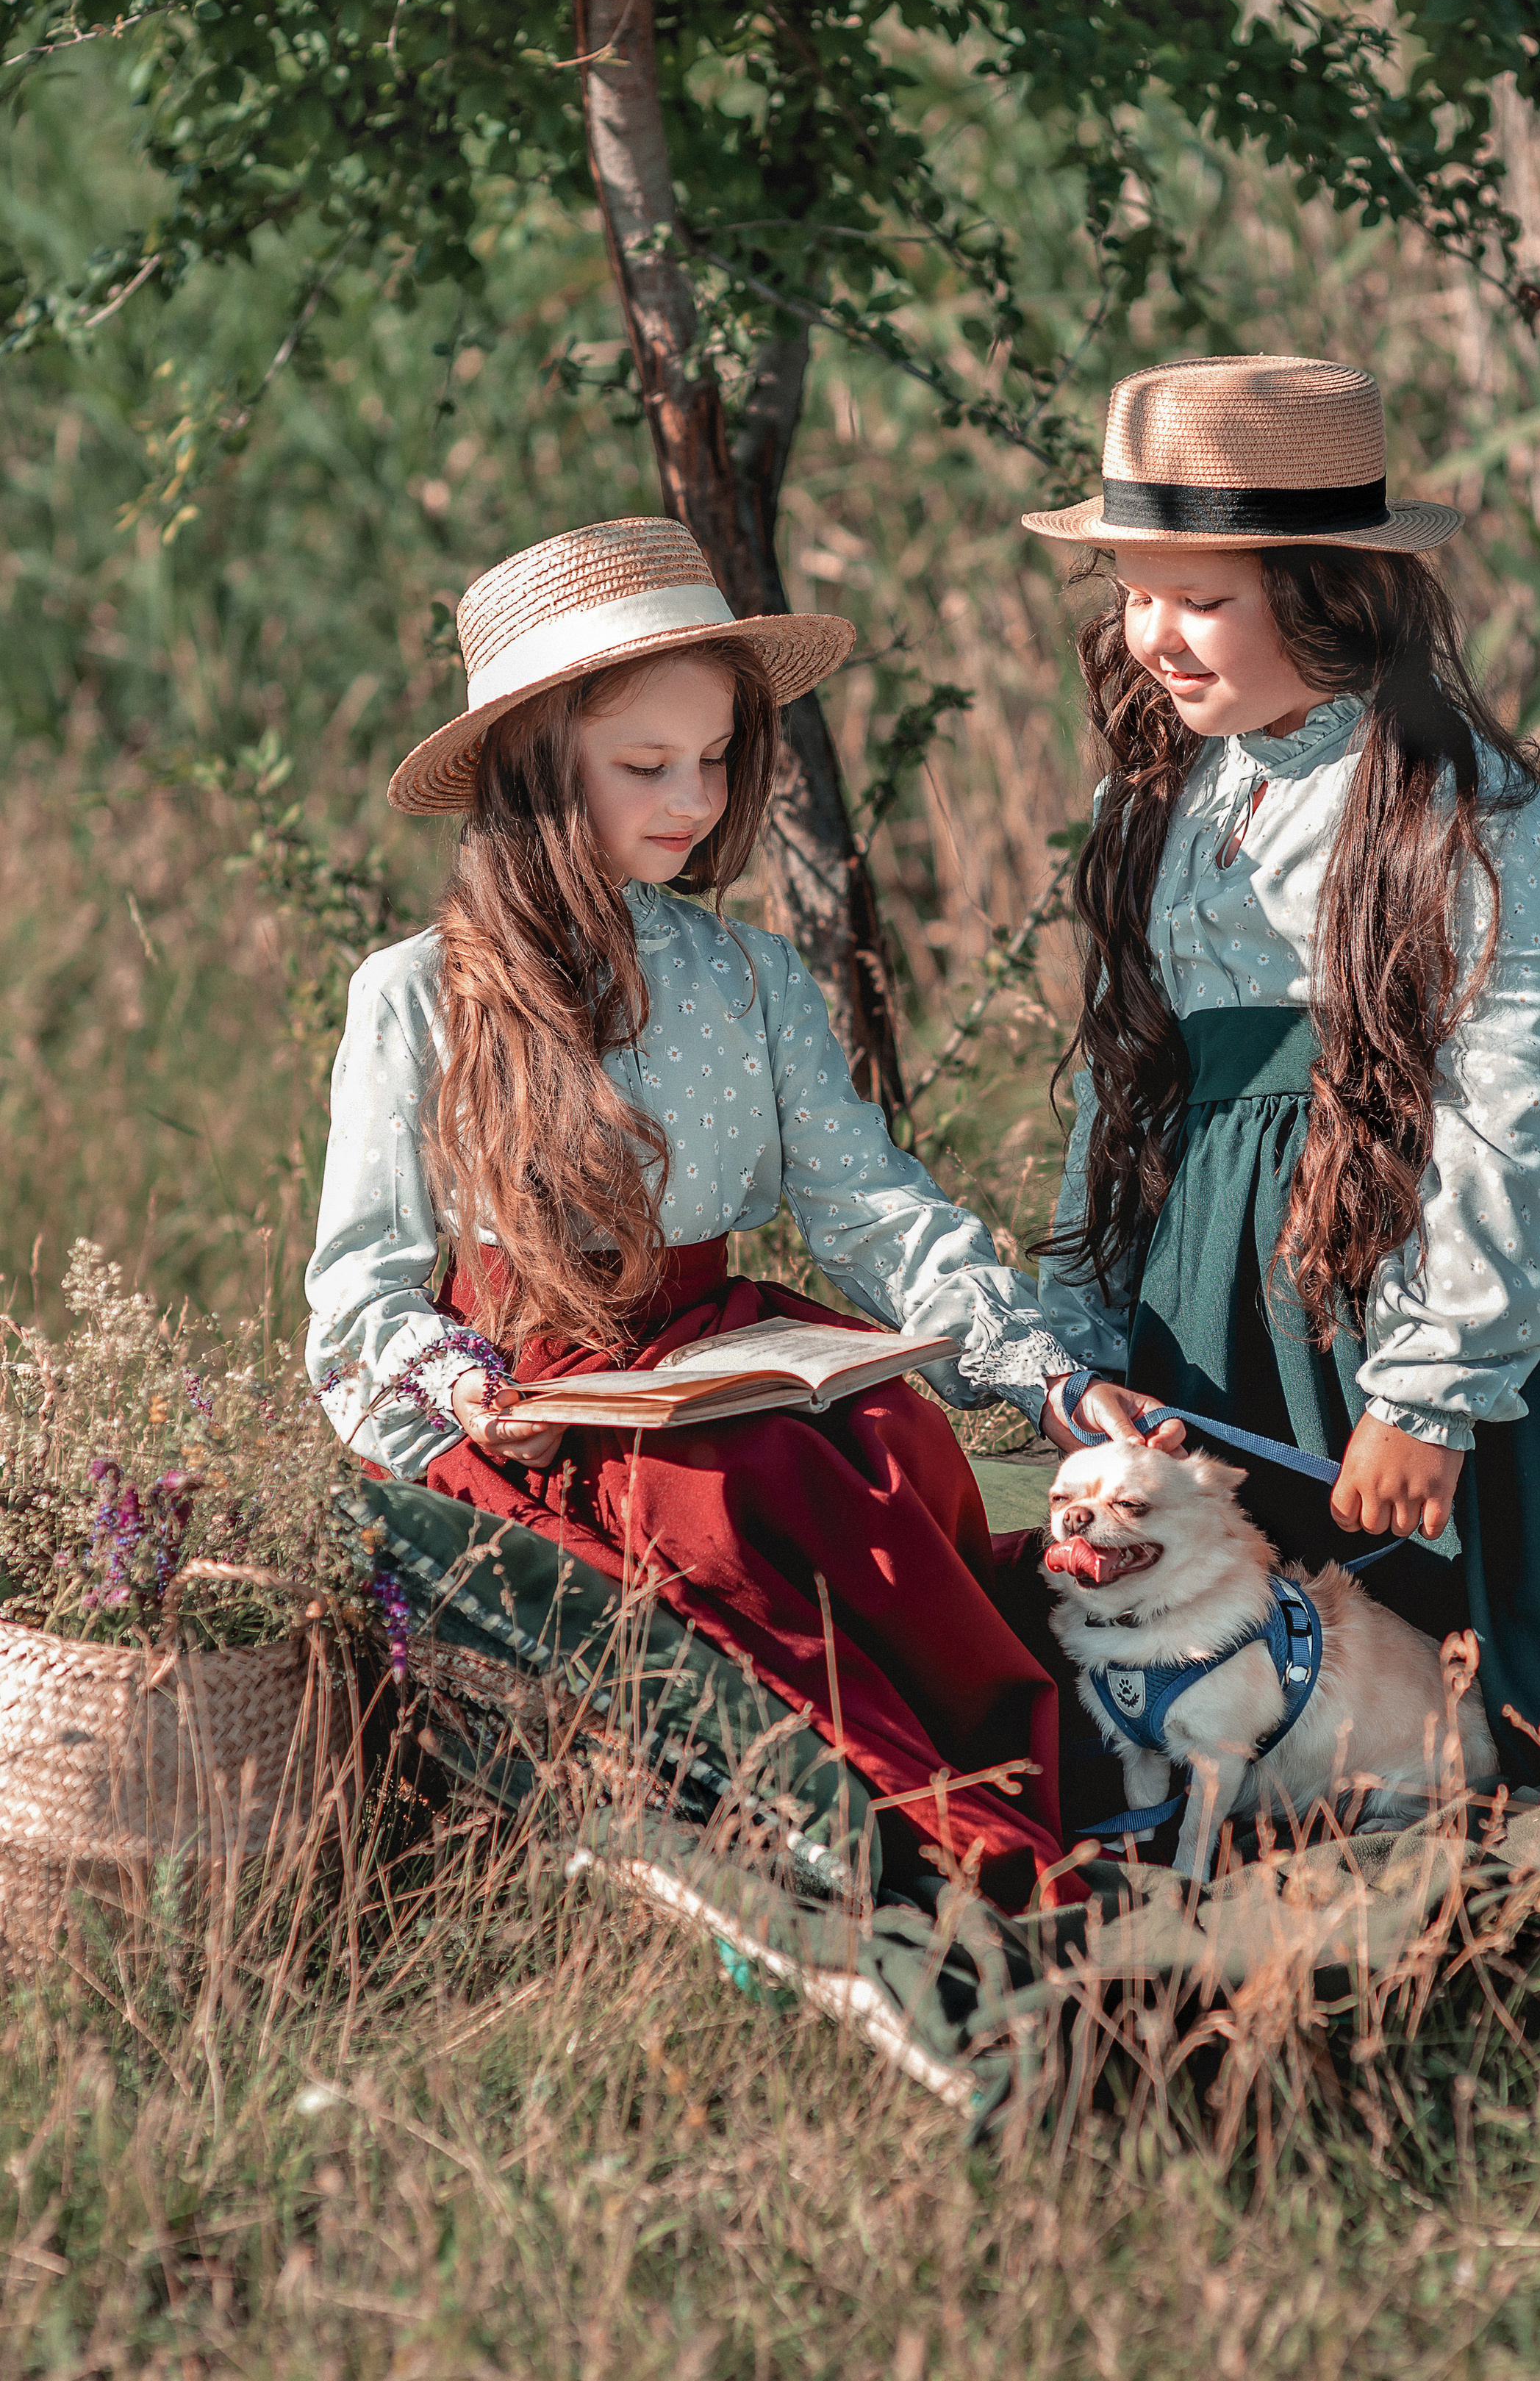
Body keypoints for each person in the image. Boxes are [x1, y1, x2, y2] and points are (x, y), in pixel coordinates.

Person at [1022, 353, 1540, 1784]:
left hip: (1404, 1240)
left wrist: (1429, 1393)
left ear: (1328, 596)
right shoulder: (1153, 793)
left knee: (1493, 1650)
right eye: (1135, 592)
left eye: (1203, 599)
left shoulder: (1453, 802)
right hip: (1213, 1269)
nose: (1155, 635)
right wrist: (1087, 1324)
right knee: (1223, 1625)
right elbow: (1127, 1085)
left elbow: (1501, 1100)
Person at [305, 515, 1098, 1906]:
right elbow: (363, 1286)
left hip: (726, 1355)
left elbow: (873, 1208)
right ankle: (887, 1838)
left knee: (884, 1439)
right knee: (733, 1502)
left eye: (716, 757)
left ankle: (994, 1798)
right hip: (536, 1403)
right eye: (645, 765)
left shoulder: (748, 975)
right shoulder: (419, 994)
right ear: (539, 769)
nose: (691, 798)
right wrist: (469, 1393)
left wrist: (1042, 1375)